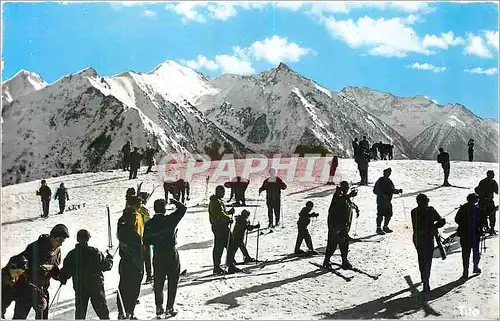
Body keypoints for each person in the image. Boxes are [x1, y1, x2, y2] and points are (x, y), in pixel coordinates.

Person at [6, 224, 69, 319]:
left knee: (42, 318)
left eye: (63, 241)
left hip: (42, 291)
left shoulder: (56, 251)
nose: (60, 244)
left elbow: (51, 267)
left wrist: (59, 275)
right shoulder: (35, 247)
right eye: (59, 240)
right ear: (52, 237)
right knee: (19, 317)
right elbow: (19, 264)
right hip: (26, 290)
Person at [143, 198, 186, 318]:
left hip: (158, 254)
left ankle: (158, 308)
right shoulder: (170, 219)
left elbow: (145, 241)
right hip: (171, 253)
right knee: (173, 282)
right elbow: (183, 209)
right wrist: (175, 201)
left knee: (158, 282)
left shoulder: (149, 223)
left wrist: (156, 239)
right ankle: (169, 308)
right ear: (164, 209)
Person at [59, 230, 113, 319]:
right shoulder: (95, 252)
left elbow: (66, 271)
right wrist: (109, 259)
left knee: (80, 314)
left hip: (80, 287)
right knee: (103, 312)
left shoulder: (72, 254)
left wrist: (63, 277)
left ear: (77, 239)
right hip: (96, 287)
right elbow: (106, 266)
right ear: (88, 239)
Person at [410, 194, 446, 293]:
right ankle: (426, 282)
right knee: (427, 261)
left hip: (418, 239)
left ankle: (424, 279)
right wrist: (436, 225)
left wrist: (436, 224)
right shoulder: (430, 210)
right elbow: (441, 221)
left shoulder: (414, 211)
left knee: (421, 260)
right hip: (427, 239)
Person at [116, 196, 143, 319]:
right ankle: (128, 312)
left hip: (127, 259)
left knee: (124, 286)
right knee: (133, 287)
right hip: (134, 259)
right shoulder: (132, 217)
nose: (140, 206)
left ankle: (123, 312)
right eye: (138, 204)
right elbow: (135, 238)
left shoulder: (124, 218)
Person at [323, 181, 358, 269]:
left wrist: (355, 207)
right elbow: (341, 199)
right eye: (346, 188)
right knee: (333, 243)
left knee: (344, 243)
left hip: (343, 224)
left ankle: (344, 261)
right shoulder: (338, 194)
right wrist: (350, 195)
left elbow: (348, 202)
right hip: (335, 224)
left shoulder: (344, 195)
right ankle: (326, 260)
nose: (347, 190)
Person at [455, 194, 488, 280]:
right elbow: (483, 221)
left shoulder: (463, 208)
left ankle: (465, 271)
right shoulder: (477, 209)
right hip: (475, 234)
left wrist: (463, 224)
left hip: (464, 234)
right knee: (476, 251)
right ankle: (475, 267)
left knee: (465, 253)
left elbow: (457, 219)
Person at [209, 185, 236, 275]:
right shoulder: (215, 201)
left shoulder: (217, 201)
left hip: (218, 226)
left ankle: (219, 267)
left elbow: (220, 213)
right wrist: (228, 218)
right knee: (230, 244)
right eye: (223, 192)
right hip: (220, 227)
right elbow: (219, 214)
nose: (224, 194)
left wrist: (228, 212)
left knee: (219, 246)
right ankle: (229, 265)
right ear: (219, 192)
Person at [373, 168, 403, 235]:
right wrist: (382, 195)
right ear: (384, 173)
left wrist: (398, 191)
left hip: (388, 201)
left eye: (389, 173)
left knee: (389, 214)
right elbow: (375, 190)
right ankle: (378, 228)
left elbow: (391, 190)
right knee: (380, 214)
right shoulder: (380, 181)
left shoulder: (389, 181)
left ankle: (385, 226)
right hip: (381, 200)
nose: (388, 174)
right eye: (387, 173)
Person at [475, 170, 498, 235]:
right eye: (493, 174)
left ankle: (484, 228)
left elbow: (477, 189)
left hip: (482, 201)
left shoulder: (482, 182)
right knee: (492, 215)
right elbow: (496, 191)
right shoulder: (493, 182)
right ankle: (492, 229)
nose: (494, 175)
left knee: (482, 215)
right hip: (489, 202)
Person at [137, 192, 153, 283]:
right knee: (147, 257)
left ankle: (140, 276)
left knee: (139, 257)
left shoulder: (134, 208)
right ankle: (149, 276)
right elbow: (148, 223)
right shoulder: (144, 209)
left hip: (137, 236)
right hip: (144, 235)